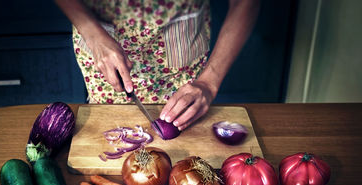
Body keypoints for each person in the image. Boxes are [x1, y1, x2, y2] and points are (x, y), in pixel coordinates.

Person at [55, 0, 260, 130]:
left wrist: (209, 82)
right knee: (108, 131)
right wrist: (91, 32)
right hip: (102, 47)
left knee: (185, 123)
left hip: (182, 56)